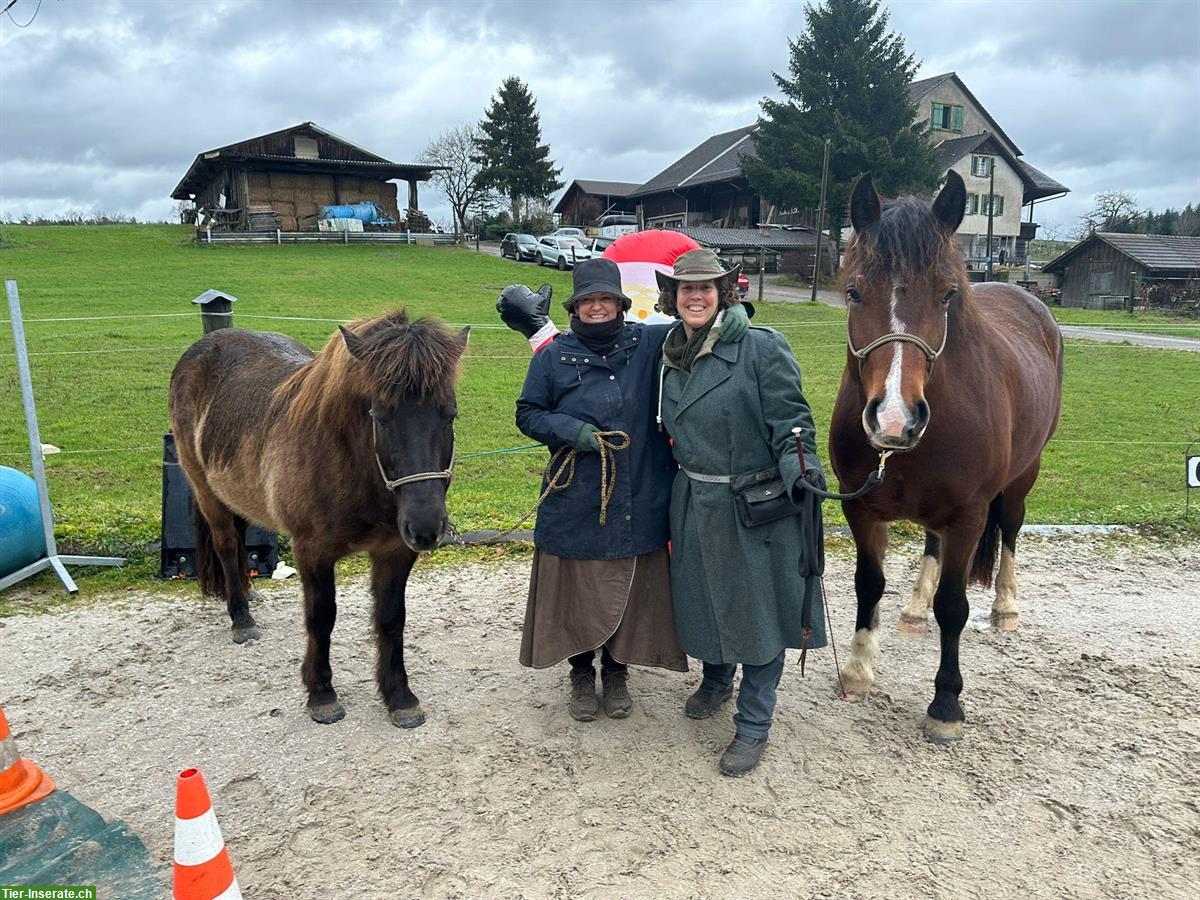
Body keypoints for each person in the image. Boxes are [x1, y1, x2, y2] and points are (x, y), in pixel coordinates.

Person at [514, 258, 749, 721]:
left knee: (630, 585)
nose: (596, 307)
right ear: (575, 308)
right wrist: (572, 431)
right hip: (577, 491)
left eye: (605, 299)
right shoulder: (553, 357)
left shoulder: (649, 344)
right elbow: (528, 413)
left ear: (621, 304)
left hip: (640, 488)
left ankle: (617, 671)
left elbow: (698, 326)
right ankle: (582, 672)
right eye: (587, 301)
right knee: (578, 590)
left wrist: (736, 314)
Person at [654, 248, 827, 777]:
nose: (697, 296)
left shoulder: (759, 349)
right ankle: (715, 678)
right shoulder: (668, 354)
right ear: (673, 297)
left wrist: (803, 472)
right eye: (687, 289)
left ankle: (754, 724)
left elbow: (793, 424)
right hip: (692, 499)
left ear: (725, 292)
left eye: (708, 287)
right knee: (704, 597)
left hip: (753, 507)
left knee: (758, 613)